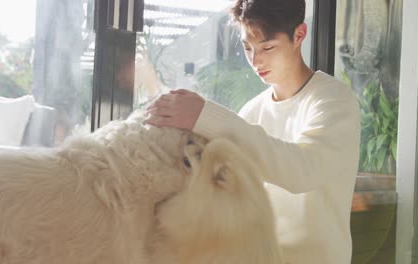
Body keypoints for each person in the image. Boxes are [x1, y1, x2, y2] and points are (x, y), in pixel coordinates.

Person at [144, 0, 361, 263]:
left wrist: (205, 115)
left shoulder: (332, 99)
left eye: (267, 47)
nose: (256, 60)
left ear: (299, 35)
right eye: (248, 48)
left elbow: (303, 171)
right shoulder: (252, 111)